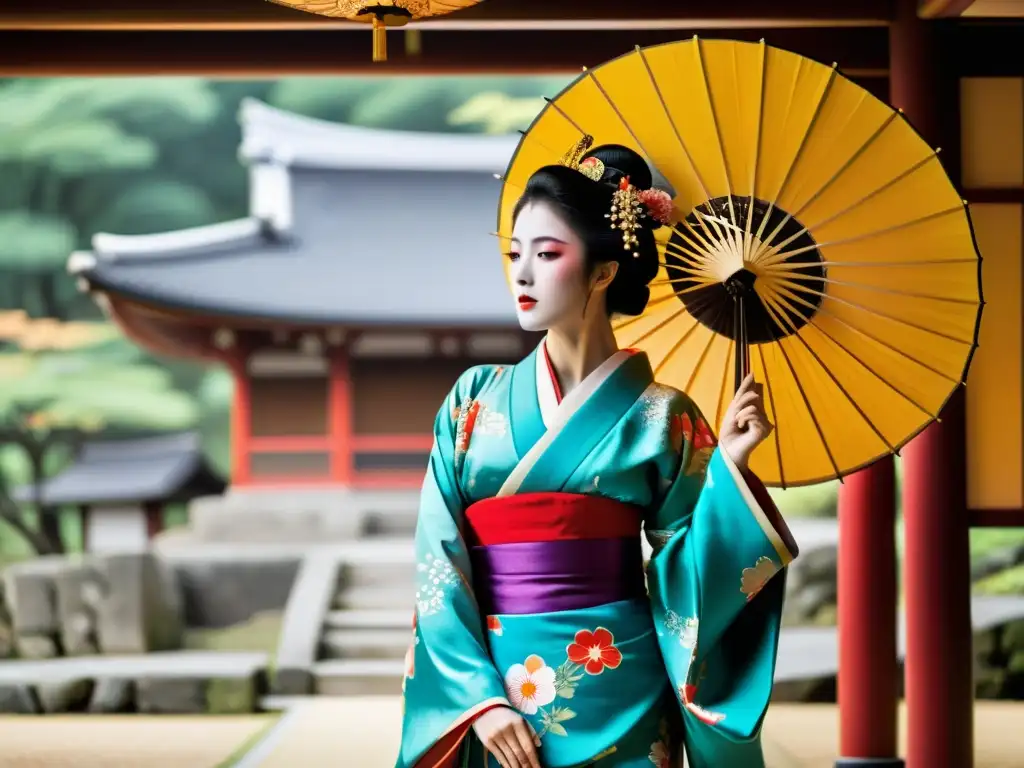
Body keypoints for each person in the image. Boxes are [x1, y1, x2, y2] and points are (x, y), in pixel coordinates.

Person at [395, 140, 799, 768]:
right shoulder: (473, 400)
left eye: (548, 253)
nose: (522, 274)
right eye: (515, 254)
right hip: (497, 694)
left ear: (604, 270)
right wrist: (477, 700)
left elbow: (693, 575)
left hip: (623, 686)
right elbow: (437, 558)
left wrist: (731, 471)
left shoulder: (665, 416)